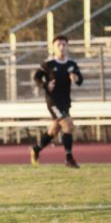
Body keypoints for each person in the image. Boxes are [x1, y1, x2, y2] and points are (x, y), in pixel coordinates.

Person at [30, 34, 83, 168]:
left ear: (67, 47)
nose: (61, 47)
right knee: (68, 125)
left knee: (53, 130)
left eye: (64, 44)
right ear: (53, 47)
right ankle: (69, 159)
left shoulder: (72, 64)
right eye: (58, 45)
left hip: (65, 101)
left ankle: (36, 149)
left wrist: (75, 78)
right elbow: (36, 77)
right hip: (53, 101)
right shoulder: (48, 64)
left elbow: (80, 80)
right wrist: (45, 85)